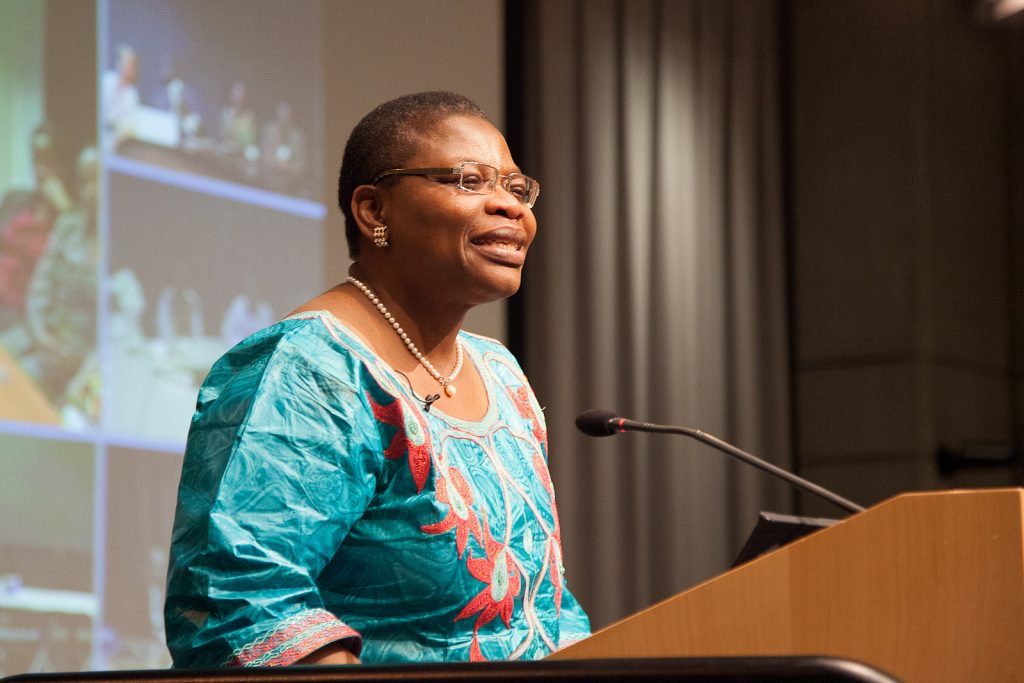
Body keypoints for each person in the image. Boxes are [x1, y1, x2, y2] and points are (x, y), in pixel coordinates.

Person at [164, 92, 590, 668]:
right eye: (470, 181)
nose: (510, 208)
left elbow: (546, 608)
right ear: (373, 211)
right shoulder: (309, 370)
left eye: (517, 189)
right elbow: (243, 608)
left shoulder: (501, 374)